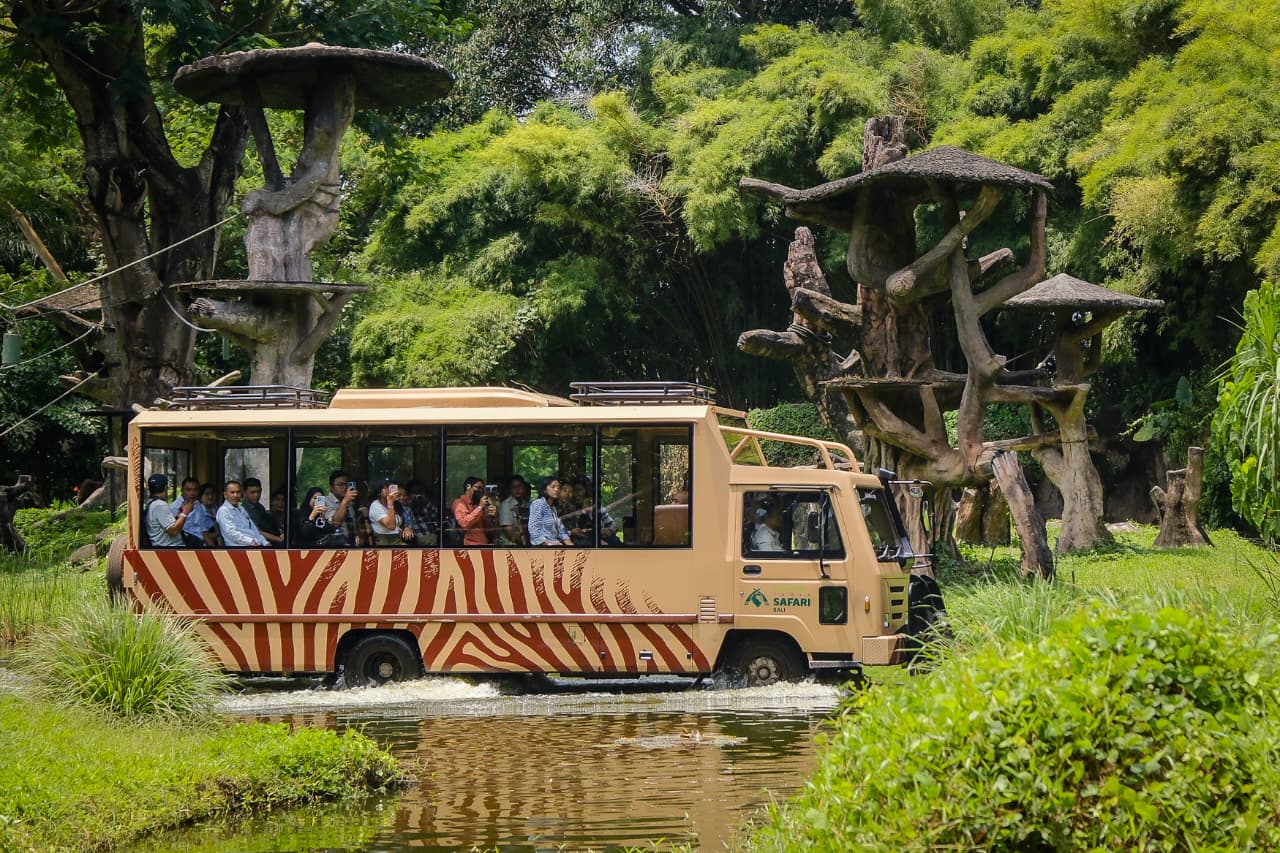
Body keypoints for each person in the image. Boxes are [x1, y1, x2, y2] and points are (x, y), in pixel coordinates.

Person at [216, 480, 268, 547]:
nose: (235, 495)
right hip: (238, 548)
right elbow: (232, 534)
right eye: (232, 492)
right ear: (225, 495)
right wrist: (252, 542)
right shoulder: (223, 511)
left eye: (238, 492)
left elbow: (254, 529)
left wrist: (264, 542)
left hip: (254, 545)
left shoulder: (241, 508)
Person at [145, 473, 190, 547]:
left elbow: (165, 523)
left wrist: (179, 515)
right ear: (165, 487)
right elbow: (173, 531)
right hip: (170, 547)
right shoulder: (160, 505)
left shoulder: (151, 503)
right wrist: (185, 513)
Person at [528, 476, 572, 547]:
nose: (556, 489)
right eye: (553, 487)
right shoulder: (538, 503)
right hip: (542, 547)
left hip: (556, 544)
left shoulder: (553, 508)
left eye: (558, 487)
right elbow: (534, 529)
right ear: (545, 490)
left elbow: (562, 531)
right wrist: (548, 544)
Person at [369, 479, 414, 546]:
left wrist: (407, 528)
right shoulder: (375, 505)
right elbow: (391, 526)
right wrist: (390, 502)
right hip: (384, 541)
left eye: (391, 487)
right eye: (385, 487)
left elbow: (404, 519)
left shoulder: (396, 504)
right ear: (379, 491)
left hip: (397, 539)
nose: (388, 490)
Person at [451, 477, 495, 546]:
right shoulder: (459, 503)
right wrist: (480, 507)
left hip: (484, 543)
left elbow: (488, 527)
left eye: (482, 489)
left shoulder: (478, 503)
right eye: (478, 488)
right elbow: (464, 523)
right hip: (469, 545)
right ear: (468, 487)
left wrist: (491, 516)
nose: (480, 491)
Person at [322, 470, 361, 547]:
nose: (345, 487)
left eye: (347, 484)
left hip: (352, 545)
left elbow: (353, 524)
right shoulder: (326, 501)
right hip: (335, 546)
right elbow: (335, 523)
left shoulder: (350, 503)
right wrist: (345, 501)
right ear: (331, 487)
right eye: (340, 484)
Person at [243, 477, 284, 546]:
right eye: (252, 492)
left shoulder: (260, 507)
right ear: (244, 493)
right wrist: (278, 539)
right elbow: (255, 531)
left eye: (258, 492)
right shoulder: (243, 510)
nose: (256, 495)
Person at [497, 475, 530, 546]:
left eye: (519, 486)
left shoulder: (526, 504)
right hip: (509, 544)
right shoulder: (506, 505)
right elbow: (508, 530)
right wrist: (524, 544)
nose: (517, 489)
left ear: (524, 488)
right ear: (510, 490)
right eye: (513, 487)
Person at [403, 480, 438, 546]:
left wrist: (425, 501)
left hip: (432, 536)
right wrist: (410, 503)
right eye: (414, 492)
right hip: (417, 539)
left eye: (418, 492)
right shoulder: (406, 507)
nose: (417, 495)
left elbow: (437, 517)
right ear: (408, 494)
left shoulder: (426, 505)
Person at [196, 482, 223, 547]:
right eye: (207, 494)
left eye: (212, 494)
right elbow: (199, 534)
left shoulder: (219, 509)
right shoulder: (197, 512)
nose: (210, 497)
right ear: (200, 497)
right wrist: (217, 534)